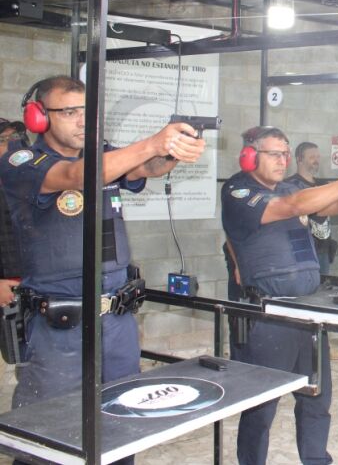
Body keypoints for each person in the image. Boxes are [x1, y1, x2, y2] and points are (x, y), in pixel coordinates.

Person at [0, 76, 205, 442]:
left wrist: (173, 149)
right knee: (50, 429)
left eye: (88, 111)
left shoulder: (103, 154)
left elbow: (147, 168)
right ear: (39, 117)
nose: (82, 120)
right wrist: (151, 142)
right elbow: (77, 175)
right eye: (70, 112)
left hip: (117, 320)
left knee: (123, 421)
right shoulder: (23, 162)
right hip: (59, 327)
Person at [222, 125, 338, 465]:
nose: (282, 161)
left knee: (316, 398)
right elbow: (290, 206)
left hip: (308, 311)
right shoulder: (238, 191)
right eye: (274, 154)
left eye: (285, 153)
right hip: (268, 314)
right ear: (250, 156)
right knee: (261, 406)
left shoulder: (291, 187)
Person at [286, 142, 338, 276]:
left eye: (318, 157)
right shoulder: (289, 185)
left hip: (323, 247)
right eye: (312, 157)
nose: (316, 160)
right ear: (299, 159)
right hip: (302, 249)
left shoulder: (323, 185)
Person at [0, 119, 27, 307]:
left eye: (15, 137)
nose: (11, 144)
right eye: (3, 139)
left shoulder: (32, 181)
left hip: (34, 288)